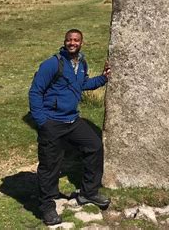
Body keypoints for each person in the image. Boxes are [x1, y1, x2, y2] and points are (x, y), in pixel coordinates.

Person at [29, 29, 111, 226]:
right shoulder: (52, 64)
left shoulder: (81, 63)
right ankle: (47, 207)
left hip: (72, 121)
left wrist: (103, 78)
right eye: (69, 40)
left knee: (94, 145)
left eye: (76, 40)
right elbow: (35, 92)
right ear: (64, 42)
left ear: (81, 43)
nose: (72, 43)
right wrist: (42, 122)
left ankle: (88, 193)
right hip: (52, 122)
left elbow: (82, 84)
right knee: (50, 166)